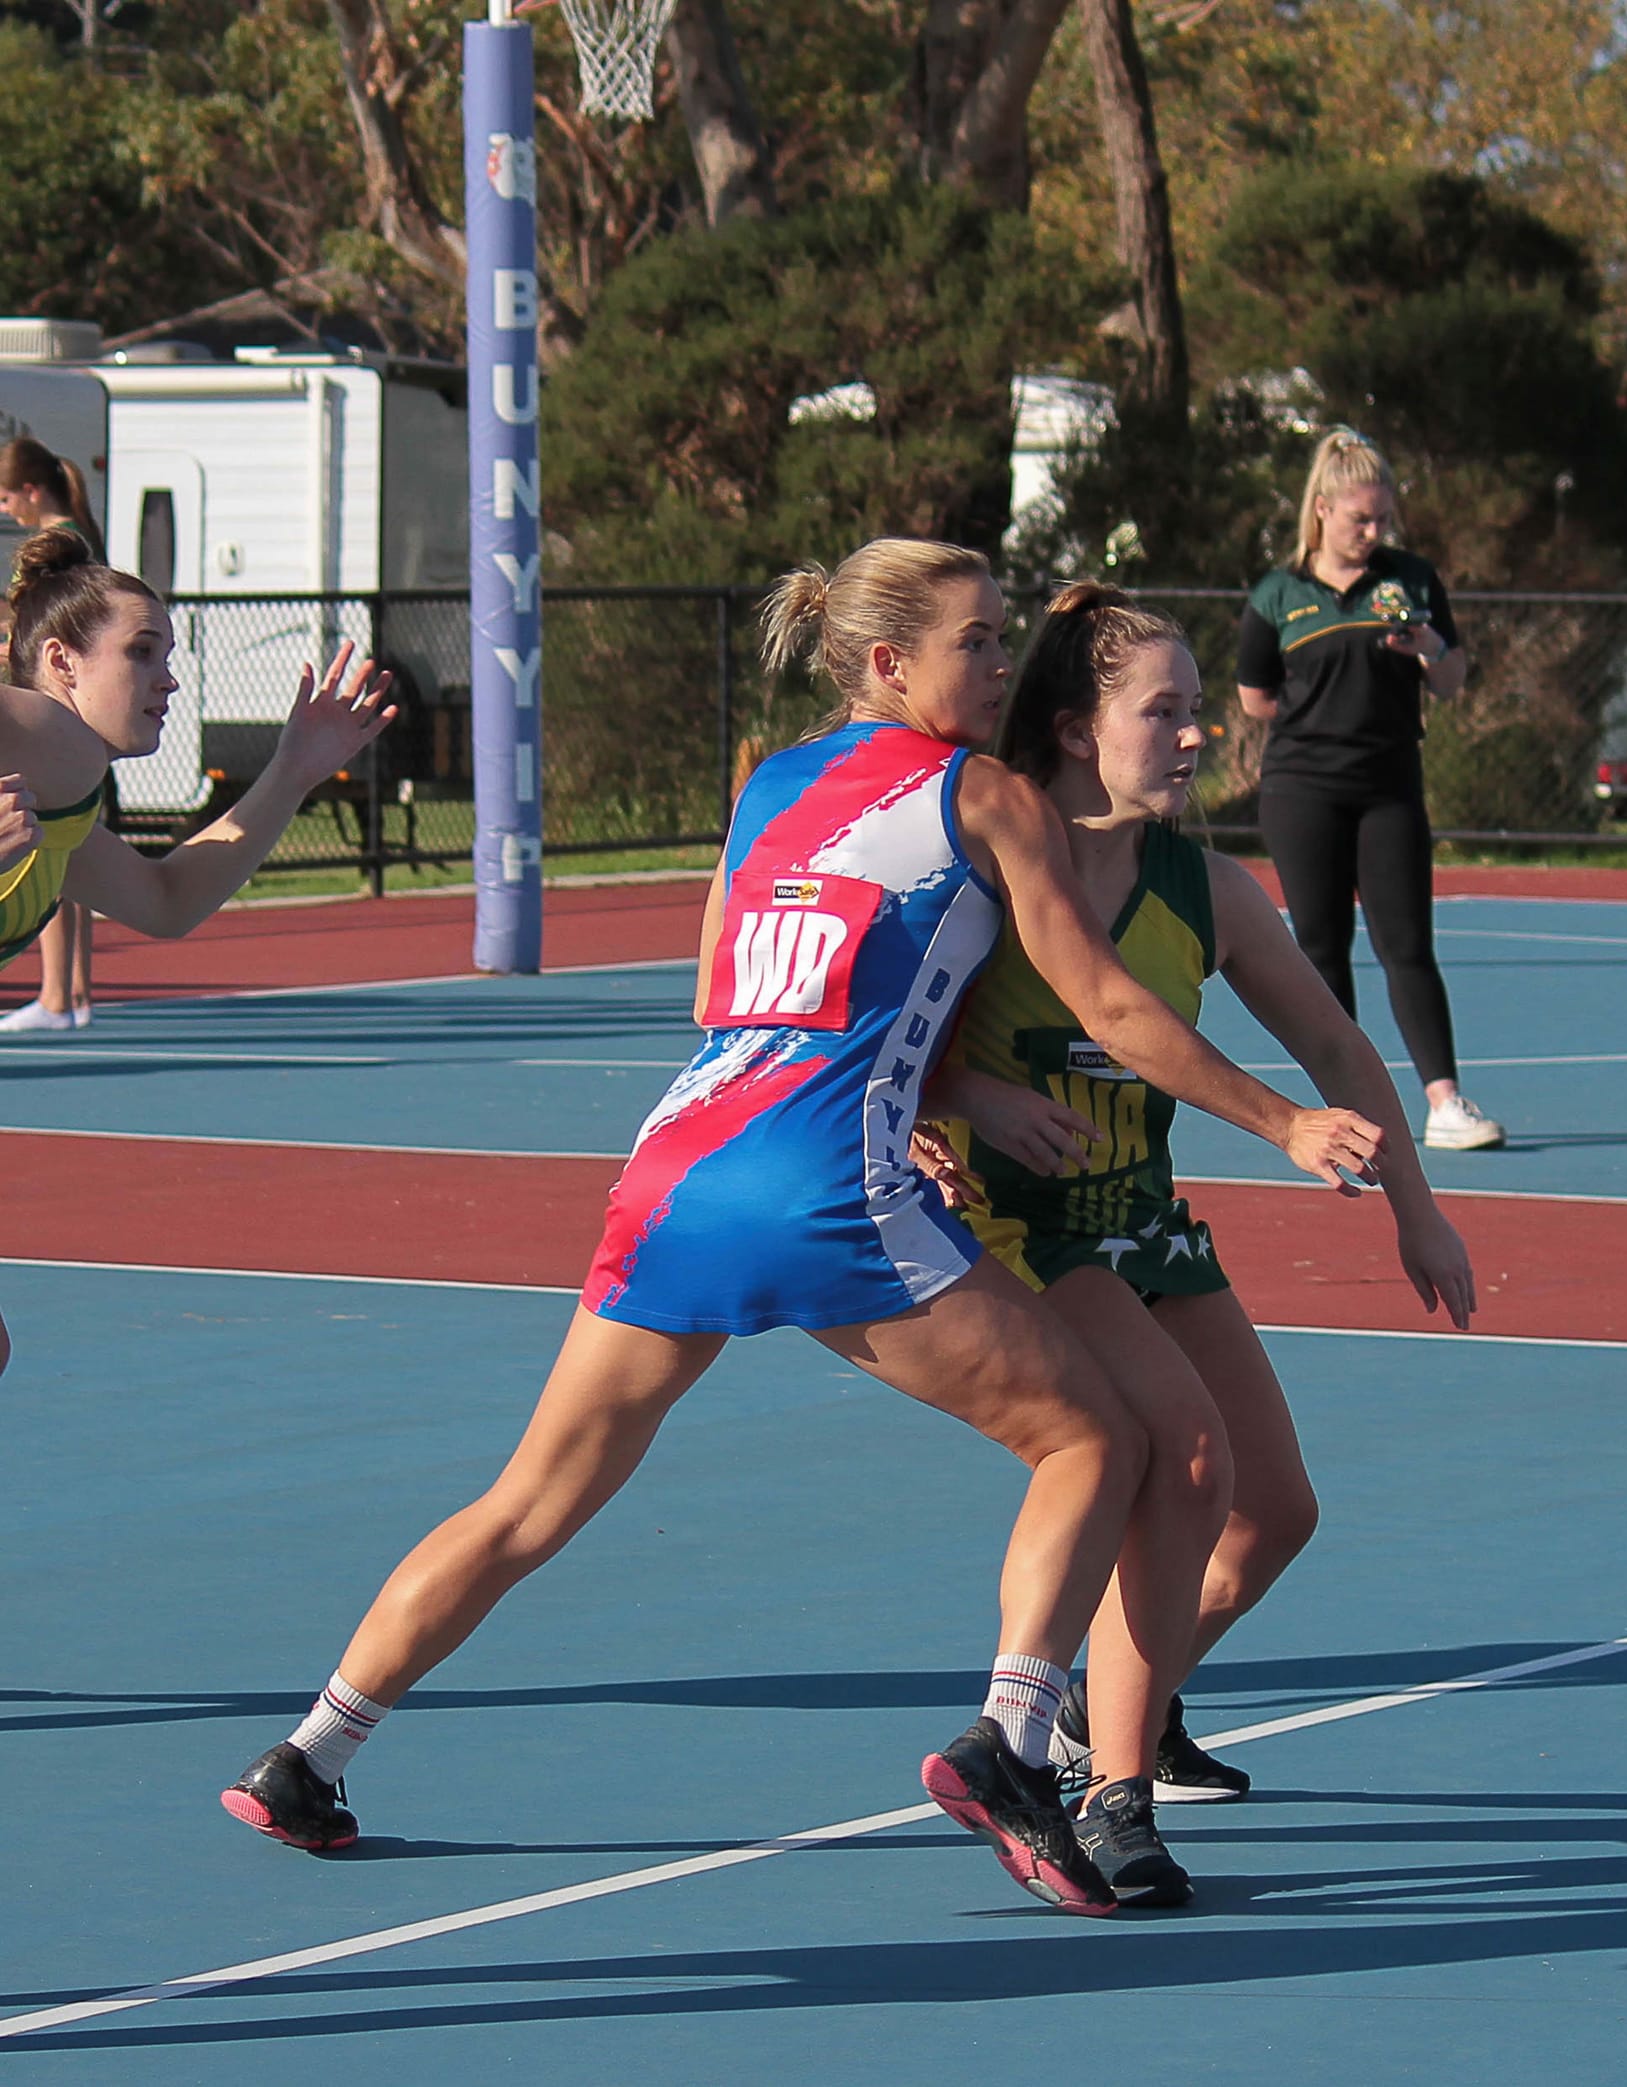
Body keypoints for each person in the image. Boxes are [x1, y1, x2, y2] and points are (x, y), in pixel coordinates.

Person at [219, 537, 1385, 1918]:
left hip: (672, 1170)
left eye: (1007, 634)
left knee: (531, 1497)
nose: (1005, 658)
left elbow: (726, 984)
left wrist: (951, 1088)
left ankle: (311, 1752)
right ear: (891, 662)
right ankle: (1012, 1743)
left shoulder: (769, 785)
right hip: (824, 1184)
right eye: (981, 637)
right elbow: (1117, 1008)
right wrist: (1286, 1121)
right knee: (1096, 1437)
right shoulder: (987, 792)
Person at [917, 584, 1474, 1903]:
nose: (1193, 735)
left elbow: (1335, 1043)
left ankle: (1127, 1693)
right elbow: (857, 1019)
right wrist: (952, 1098)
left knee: (1278, 1508)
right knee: (1190, 1449)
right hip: (1019, 1222)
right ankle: (1110, 1791)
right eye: (1160, 711)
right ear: (1072, 728)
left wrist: (1417, 1203)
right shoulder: (988, 863)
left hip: (1140, 1215)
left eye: (1195, 710)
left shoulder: (1203, 884)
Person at [0, 527, 395, 1377]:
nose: (168, 677)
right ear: (62, 662)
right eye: (141, 652)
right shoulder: (51, 738)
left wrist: (291, 768)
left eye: (169, 653)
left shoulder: (65, 796)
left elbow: (169, 899)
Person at [1237, 425, 1505, 1151]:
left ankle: (1446, 1101)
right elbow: (1254, 696)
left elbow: (1451, 681)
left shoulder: (1410, 581)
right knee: (1320, 945)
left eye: (1384, 517)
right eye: (1361, 517)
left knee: (1406, 944)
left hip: (1389, 786)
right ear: (1321, 508)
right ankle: (1348, 1102)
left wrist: (1430, 648)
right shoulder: (1279, 592)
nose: (1373, 530)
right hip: (1301, 789)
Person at [1, 438, 109, 1036]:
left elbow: (44, 633)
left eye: (7, 497)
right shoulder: (80, 540)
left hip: (62, 721)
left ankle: (56, 994)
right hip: (76, 726)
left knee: (53, 852)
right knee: (72, 852)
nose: (6, 509)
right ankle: (72, 990)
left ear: (33, 491)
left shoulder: (57, 551)